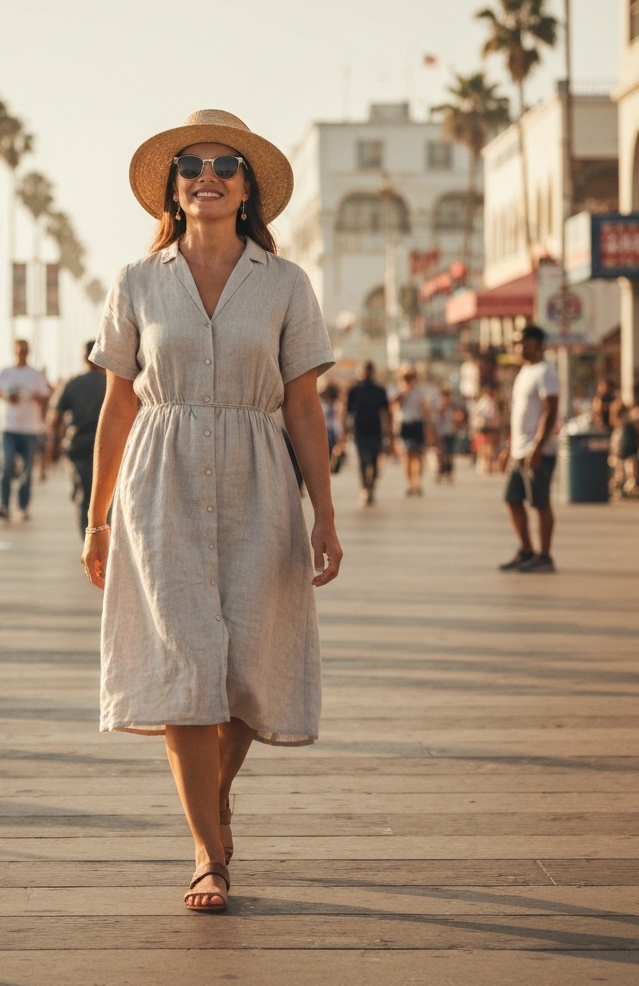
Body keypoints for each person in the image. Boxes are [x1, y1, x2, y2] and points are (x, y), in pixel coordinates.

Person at [82, 110, 343, 913]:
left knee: (245, 672)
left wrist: (325, 516)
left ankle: (214, 798)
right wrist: (96, 519)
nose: (207, 174)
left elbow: (304, 407)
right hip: (159, 483)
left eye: (226, 164)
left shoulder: (287, 283)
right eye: (191, 164)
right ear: (172, 186)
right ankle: (206, 849)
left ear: (246, 187)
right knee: (187, 660)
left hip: (263, 478)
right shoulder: (135, 280)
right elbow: (117, 408)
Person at [499, 325, 559, 573]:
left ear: (535, 343)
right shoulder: (525, 371)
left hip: (538, 451)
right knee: (512, 499)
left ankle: (545, 556)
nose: (516, 347)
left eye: (520, 342)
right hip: (519, 450)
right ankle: (526, 550)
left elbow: (550, 410)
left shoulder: (545, 371)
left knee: (540, 503)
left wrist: (538, 446)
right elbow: (519, 414)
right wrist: (508, 447)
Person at [0, 339, 51, 521]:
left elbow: (46, 397)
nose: (21, 353)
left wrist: (35, 398)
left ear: (28, 352)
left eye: (24, 350)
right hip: (7, 427)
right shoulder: (4, 373)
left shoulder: (35, 375)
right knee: (5, 467)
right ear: (13, 352)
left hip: (30, 429)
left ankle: (22, 507)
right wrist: (6, 398)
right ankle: (4, 505)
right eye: (18, 350)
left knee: (26, 471)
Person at [51, 342, 106, 534]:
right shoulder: (112, 384)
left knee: (86, 495)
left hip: (79, 447)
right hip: (109, 446)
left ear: (85, 358)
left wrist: (54, 444)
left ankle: (88, 538)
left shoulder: (72, 383)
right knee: (107, 496)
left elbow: (55, 418)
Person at [347, 361, 391, 506]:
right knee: (364, 461)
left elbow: (386, 412)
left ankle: (369, 488)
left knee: (372, 461)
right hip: (361, 431)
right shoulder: (354, 390)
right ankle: (366, 488)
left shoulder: (379, 390)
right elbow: (347, 411)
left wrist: (388, 431)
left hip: (373, 430)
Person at [391, 365, 434, 497]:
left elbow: (426, 411)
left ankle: (418, 483)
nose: (408, 381)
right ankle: (409, 484)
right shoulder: (399, 392)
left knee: (418, 456)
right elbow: (392, 406)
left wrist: (428, 428)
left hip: (417, 425)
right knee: (407, 457)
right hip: (405, 425)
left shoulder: (419, 394)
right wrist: (401, 393)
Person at [471, 384, 501, 473]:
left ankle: (488, 465)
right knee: (486, 446)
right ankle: (487, 465)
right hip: (487, 426)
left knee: (488, 446)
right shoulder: (485, 402)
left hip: (490, 426)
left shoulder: (490, 402)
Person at [433, 384, 459, 484]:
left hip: (451, 430)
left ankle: (449, 473)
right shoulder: (438, 402)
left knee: (450, 453)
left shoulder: (454, 403)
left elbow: (459, 416)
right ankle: (440, 471)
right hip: (441, 430)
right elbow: (435, 415)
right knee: (440, 453)